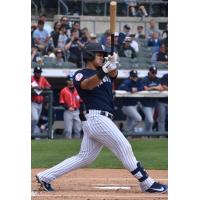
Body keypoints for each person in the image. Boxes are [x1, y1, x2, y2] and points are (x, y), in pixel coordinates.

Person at [36, 42, 167, 193]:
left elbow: (113, 74)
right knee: (124, 147)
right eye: (99, 55)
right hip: (96, 118)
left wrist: (112, 63)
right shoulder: (81, 73)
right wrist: (105, 69)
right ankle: (147, 183)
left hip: (101, 119)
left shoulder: (104, 72)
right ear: (89, 55)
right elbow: (87, 85)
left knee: (85, 157)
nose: (102, 57)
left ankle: (45, 176)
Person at [140, 66, 163, 132]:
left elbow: (161, 88)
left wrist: (151, 88)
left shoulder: (157, 79)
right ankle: (148, 134)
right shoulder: (144, 79)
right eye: (152, 72)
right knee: (150, 120)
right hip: (145, 103)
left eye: (155, 73)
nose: (154, 74)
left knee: (148, 121)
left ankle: (145, 135)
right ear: (149, 72)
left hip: (153, 103)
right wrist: (155, 87)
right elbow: (145, 88)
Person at [59, 74, 82, 139]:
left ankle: (75, 145)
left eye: (72, 80)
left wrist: (82, 111)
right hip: (68, 111)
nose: (71, 82)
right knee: (68, 131)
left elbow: (81, 101)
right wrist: (68, 107)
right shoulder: (63, 90)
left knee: (78, 130)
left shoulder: (78, 90)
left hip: (77, 111)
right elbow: (61, 102)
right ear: (67, 81)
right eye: (69, 80)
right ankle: (67, 145)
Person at [31, 66, 51, 135]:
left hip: (40, 103)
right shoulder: (31, 79)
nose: (38, 74)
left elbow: (49, 86)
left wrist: (43, 87)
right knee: (35, 118)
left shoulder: (43, 79)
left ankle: (32, 132)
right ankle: (31, 131)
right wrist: (33, 87)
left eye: (39, 72)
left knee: (36, 120)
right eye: (37, 72)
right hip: (33, 102)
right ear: (34, 73)